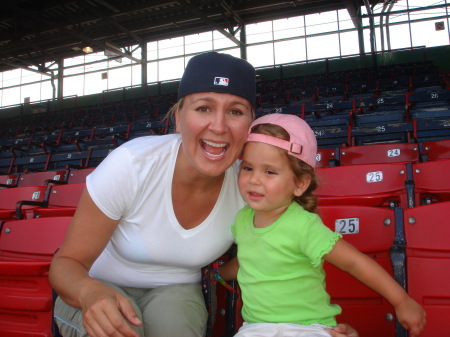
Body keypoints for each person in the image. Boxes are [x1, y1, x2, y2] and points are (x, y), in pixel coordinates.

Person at [49, 52, 359, 337]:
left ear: (250, 126)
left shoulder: (250, 186)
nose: (219, 126)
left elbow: (281, 255)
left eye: (235, 111)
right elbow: (66, 263)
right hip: (97, 284)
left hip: (177, 292)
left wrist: (320, 330)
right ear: (179, 118)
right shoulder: (131, 165)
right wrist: (88, 292)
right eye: (203, 108)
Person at [219, 113, 426, 337]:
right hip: (256, 327)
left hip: (307, 327)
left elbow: (354, 263)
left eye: (269, 171)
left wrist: (401, 300)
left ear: (300, 184)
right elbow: (249, 262)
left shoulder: (304, 225)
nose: (254, 179)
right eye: (248, 168)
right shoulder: (242, 218)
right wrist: (218, 274)